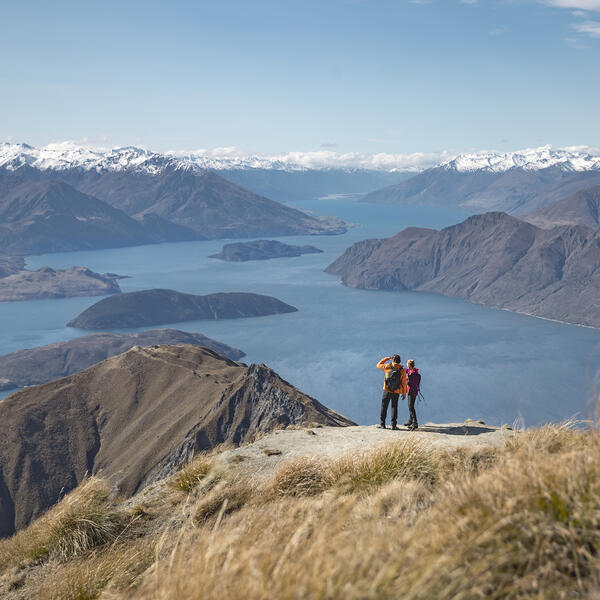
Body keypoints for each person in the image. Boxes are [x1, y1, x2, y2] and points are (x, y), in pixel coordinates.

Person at [376, 355, 407, 430]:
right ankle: (394, 425)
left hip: (387, 390)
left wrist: (386, 358)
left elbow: (378, 365)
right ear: (399, 361)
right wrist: (404, 393)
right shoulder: (402, 370)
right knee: (394, 407)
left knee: (384, 406)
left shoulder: (387, 366)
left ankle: (382, 424)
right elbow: (404, 383)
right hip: (397, 391)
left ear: (392, 360)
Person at [405, 359, 421, 430]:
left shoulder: (413, 374)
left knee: (411, 406)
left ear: (409, 365)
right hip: (413, 391)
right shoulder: (411, 371)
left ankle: (415, 422)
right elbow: (406, 370)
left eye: (407, 365)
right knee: (410, 406)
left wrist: (405, 380)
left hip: (412, 391)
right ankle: (410, 420)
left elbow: (410, 383)